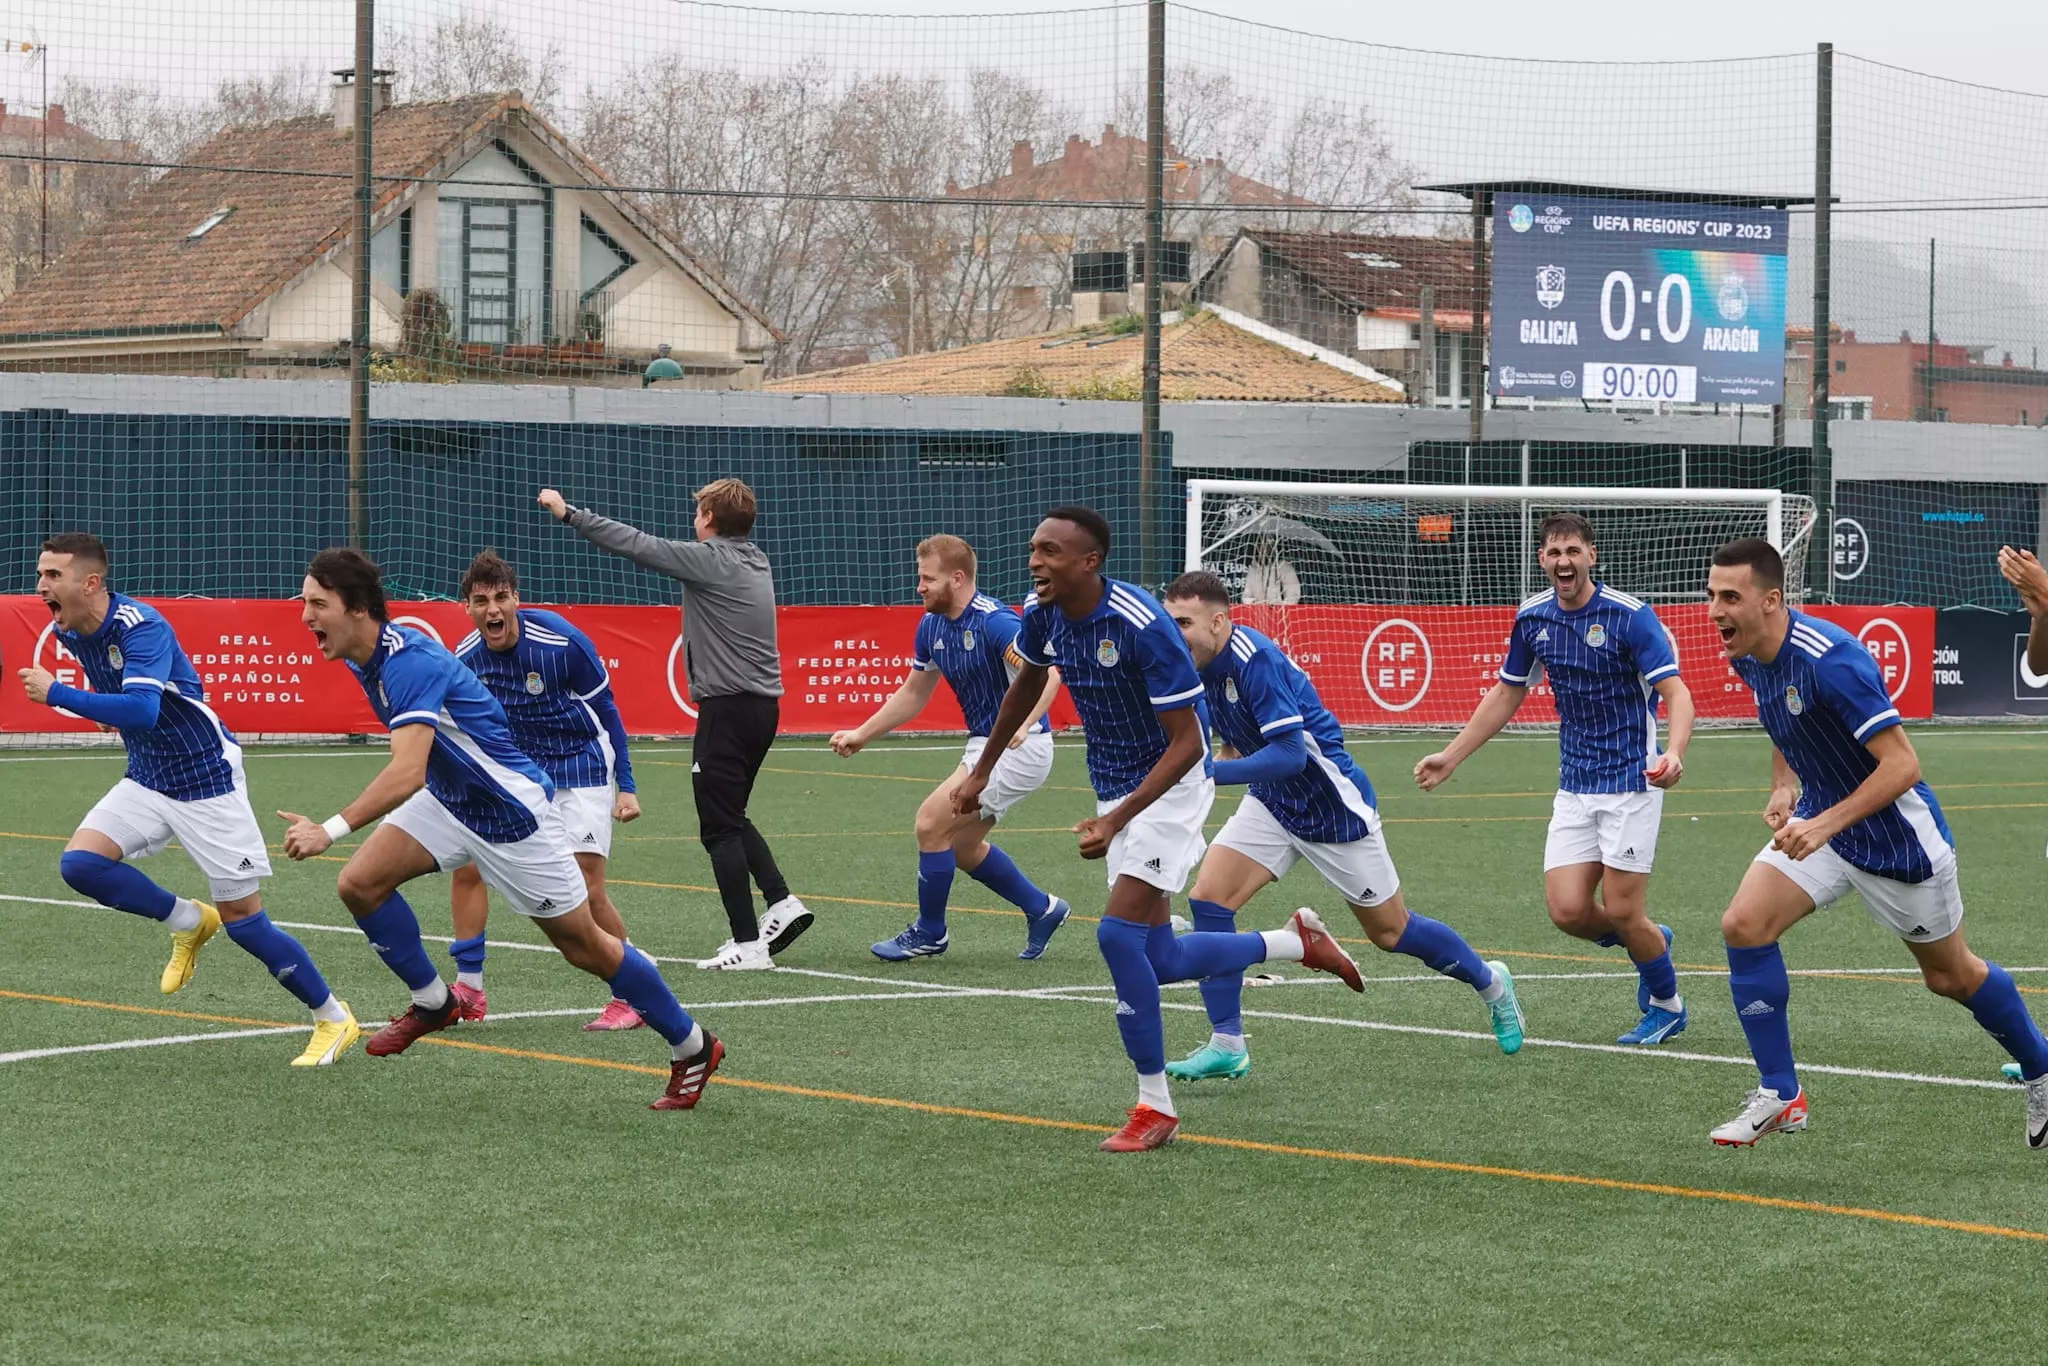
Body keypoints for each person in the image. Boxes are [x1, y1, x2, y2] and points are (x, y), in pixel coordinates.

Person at [959, 507, 1364, 1153]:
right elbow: (1023, 686)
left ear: (1089, 562)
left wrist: (1117, 818)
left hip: (1171, 790)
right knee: (1161, 957)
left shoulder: (1142, 625)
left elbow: (1186, 745)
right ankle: (1293, 946)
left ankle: (1155, 1106)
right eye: (1035, 548)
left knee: (1118, 939)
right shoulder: (1042, 615)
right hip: (1118, 787)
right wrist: (982, 769)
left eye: (1052, 551)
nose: (1036, 561)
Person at [280, 548, 722, 1110]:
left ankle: (694, 1045)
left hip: (511, 816)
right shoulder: (366, 659)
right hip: (451, 803)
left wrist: (330, 828)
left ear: (359, 608)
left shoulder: (408, 661)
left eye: (318, 604)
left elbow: (407, 769)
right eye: (305, 603)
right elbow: (427, 768)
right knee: (360, 884)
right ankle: (435, 1001)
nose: (305, 616)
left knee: (585, 945)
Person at [1708, 537, 2048, 1147]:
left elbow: (1902, 766)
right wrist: (1786, 786)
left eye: (1730, 597)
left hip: (1898, 842)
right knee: (1744, 924)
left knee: (1952, 977)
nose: (1715, 611)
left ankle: (2042, 1065)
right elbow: (1781, 720)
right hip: (1825, 825)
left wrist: (1822, 823)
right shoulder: (1748, 652)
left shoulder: (1831, 659)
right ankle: (1781, 1094)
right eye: (1712, 596)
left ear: (1772, 600)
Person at [1161, 571, 1525, 1081]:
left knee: (1392, 932)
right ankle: (1227, 1042)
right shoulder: (1198, 665)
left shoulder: (1252, 660)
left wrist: (1205, 774)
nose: (1172, 631)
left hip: (1332, 807)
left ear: (1219, 622)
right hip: (1272, 804)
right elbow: (1236, 742)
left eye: (1183, 622)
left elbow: (1289, 755)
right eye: (1168, 619)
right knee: (1210, 901)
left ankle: (1492, 984)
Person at [18, 532, 358, 1066]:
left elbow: (144, 710)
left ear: (91, 582)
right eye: (39, 574)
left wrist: (57, 693)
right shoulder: (68, 628)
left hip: (206, 779)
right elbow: (127, 709)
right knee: (81, 865)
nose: (41, 585)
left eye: (52, 575)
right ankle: (186, 920)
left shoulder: (142, 626)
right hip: (148, 776)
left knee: (246, 924)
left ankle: (334, 1018)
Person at [1415, 512, 1695, 1046]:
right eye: (1553, 553)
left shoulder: (1631, 617)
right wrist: (1452, 756)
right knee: (1567, 911)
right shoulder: (1532, 618)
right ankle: (1650, 941)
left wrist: (1675, 754)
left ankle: (1667, 1003)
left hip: (1633, 783)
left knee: (1621, 909)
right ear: (1542, 559)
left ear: (1592, 555)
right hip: (1575, 784)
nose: (1563, 562)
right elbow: (1507, 692)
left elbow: (1677, 694)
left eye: (1572, 551)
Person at [539, 479, 810, 971]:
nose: (694, 519)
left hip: (727, 711)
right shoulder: (756, 558)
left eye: (699, 511)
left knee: (718, 829)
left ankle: (748, 945)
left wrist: (568, 513)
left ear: (709, 519)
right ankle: (781, 902)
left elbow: (639, 545)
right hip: (762, 710)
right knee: (732, 815)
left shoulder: (710, 559)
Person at [830, 534, 1071, 961]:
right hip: (985, 746)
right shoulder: (933, 625)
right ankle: (1043, 908)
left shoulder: (995, 624)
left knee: (929, 822)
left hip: (1020, 748)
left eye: (928, 578)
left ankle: (931, 932)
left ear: (957, 579)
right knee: (959, 847)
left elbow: (1048, 675)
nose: (919, 586)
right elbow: (914, 693)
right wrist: (862, 734)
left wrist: (1026, 723)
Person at [445, 550, 645, 1030]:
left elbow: (610, 714)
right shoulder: (465, 658)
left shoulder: (561, 643)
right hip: (524, 773)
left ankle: (635, 994)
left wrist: (628, 788)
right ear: (467, 607)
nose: (492, 610)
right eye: (480, 601)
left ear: (516, 599)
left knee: (586, 889)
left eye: (500, 598)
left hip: (582, 766)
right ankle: (469, 988)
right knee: (469, 864)